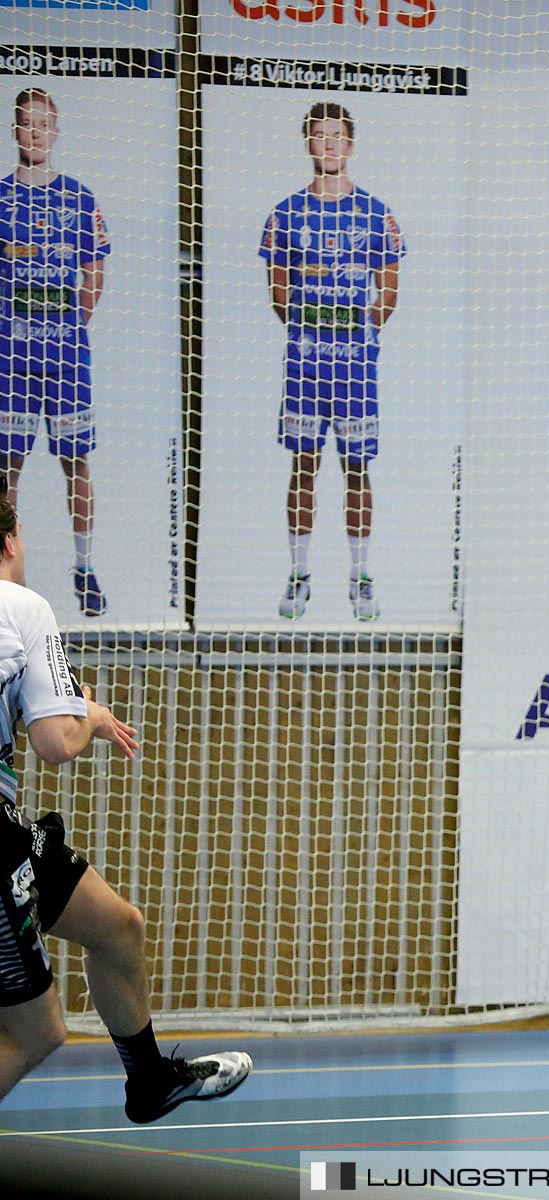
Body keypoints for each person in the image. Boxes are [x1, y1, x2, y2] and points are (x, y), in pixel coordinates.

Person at [0, 483, 252, 1122]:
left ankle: (149, 1081)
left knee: (117, 927)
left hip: (8, 833)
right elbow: (56, 741)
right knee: (37, 1032)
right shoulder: (22, 607)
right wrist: (91, 713)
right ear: (8, 543)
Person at [262, 101, 404, 621]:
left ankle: (359, 578)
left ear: (350, 143)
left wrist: (355, 330)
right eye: (319, 135)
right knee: (304, 466)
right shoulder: (286, 213)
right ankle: (299, 576)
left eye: (337, 136)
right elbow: (278, 289)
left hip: (355, 368)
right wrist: (311, 326)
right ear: (308, 143)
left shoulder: (375, 213)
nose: (328, 144)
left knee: (357, 468)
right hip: (305, 365)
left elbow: (388, 290)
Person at [1, 89, 110, 617]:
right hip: (11, 361)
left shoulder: (81, 199)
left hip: (67, 359)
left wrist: (67, 326)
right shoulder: (0, 199)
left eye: (45, 123)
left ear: (57, 130)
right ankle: (6, 577)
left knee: (76, 463)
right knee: (7, 469)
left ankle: (84, 568)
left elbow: (94, 274)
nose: (37, 132)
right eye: (28, 124)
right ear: (16, 131)